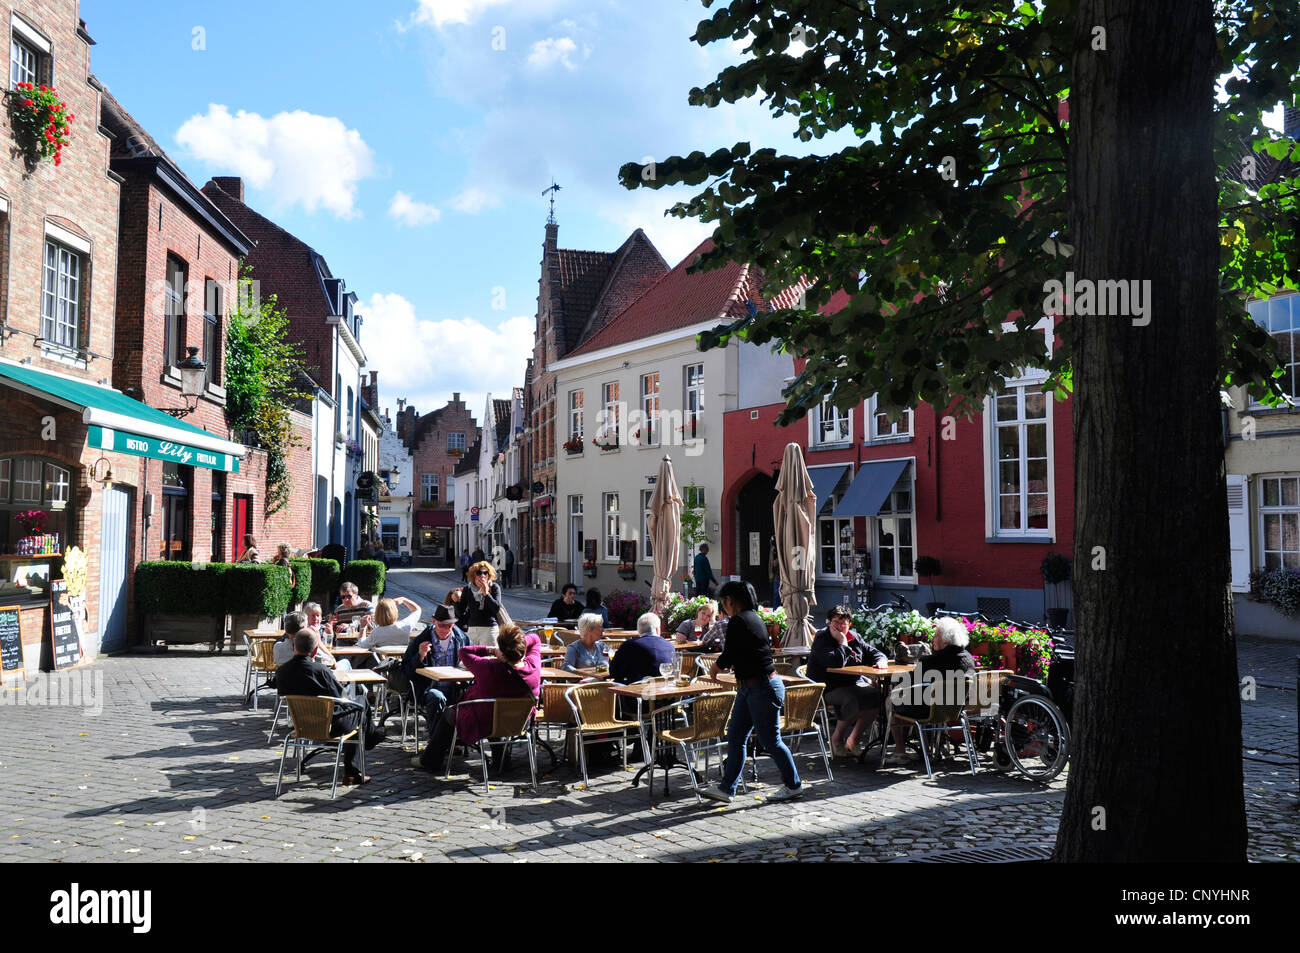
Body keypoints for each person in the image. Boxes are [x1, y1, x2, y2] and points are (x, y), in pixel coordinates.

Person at [701, 580, 803, 804]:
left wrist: (715, 668)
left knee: (770, 740)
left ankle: (793, 785)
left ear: (729, 601)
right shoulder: (754, 618)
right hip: (750, 687)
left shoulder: (739, 620)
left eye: (723, 603)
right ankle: (727, 788)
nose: (723, 608)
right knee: (736, 736)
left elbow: (729, 655)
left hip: (762, 687)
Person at [416, 624, 541, 772]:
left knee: (449, 713)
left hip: (483, 722)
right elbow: (536, 638)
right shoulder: (533, 667)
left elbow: (463, 652)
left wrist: (491, 650)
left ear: (501, 649)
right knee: (498, 715)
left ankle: (430, 761)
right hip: (519, 722)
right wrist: (516, 644)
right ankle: (501, 762)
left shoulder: (489, 667)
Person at [275, 629, 378, 784]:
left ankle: (370, 738)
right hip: (330, 724)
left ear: (293, 647)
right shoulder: (321, 671)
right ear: (316, 650)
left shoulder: (282, 672)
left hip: (301, 725)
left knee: (358, 708)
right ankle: (354, 767)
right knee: (360, 704)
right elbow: (342, 697)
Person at [808, 605, 888, 757]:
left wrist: (881, 661)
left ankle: (853, 739)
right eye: (835, 622)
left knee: (876, 696)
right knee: (852, 698)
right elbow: (834, 663)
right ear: (829, 623)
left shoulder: (855, 637)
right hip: (827, 687)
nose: (838, 627)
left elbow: (873, 652)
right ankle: (837, 739)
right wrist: (843, 642)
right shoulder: (822, 638)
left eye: (842, 623)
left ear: (849, 624)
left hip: (851, 684)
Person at [890, 616, 975, 756]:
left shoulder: (932, 662)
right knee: (921, 698)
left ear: (946, 642)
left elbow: (908, 683)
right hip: (955, 710)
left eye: (936, 636)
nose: (932, 639)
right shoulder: (967, 658)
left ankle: (900, 751)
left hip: (930, 711)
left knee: (892, 700)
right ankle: (926, 750)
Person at [402, 603, 470, 734]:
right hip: (427, 688)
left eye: (449, 626)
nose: (445, 629)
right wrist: (420, 656)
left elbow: (471, 660)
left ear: (454, 624)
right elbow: (406, 671)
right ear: (433, 621)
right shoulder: (421, 640)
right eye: (441, 625)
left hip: (454, 688)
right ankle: (437, 741)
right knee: (437, 697)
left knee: (472, 696)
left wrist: (462, 679)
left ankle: (460, 739)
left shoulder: (461, 638)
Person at [610, 612, 676, 684]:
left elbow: (614, 672)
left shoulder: (629, 645)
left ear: (639, 630)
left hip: (637, 692)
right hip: (665, 689)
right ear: (657, 629)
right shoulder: (670, 646)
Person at [459, 560, 505, 646]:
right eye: (479, 573)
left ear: (489, 575)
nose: (482, 576)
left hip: (489, 629)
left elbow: (496, 608)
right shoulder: (468, 589)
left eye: (485, 573)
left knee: (489, 658)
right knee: (471, 658)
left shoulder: (494, 587)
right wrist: (455, 601)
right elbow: (460, 611)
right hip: (472, 629)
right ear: (473, 575)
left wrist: (486, 594)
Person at [273, 610, 338, 667]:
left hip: (285, 680)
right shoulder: (309, 649)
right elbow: (333, 664)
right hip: (307, 679)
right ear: (304, 628)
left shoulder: (277, 647)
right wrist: (319, 643)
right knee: (345, 662)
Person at [358, 596, 424, 648]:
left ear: (377, 613)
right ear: (395, 612)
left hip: (384, 662)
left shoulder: (376, 632)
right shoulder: (405, 626)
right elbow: (417, 610)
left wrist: (363, 627)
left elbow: (362, 644)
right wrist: (404, 600)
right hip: (403, 661)